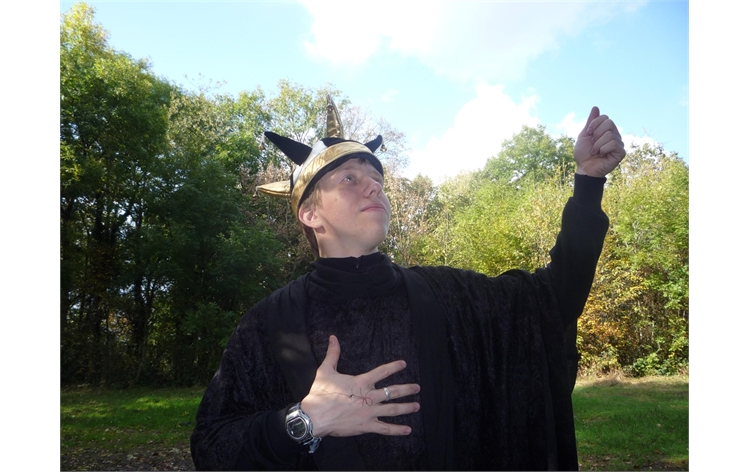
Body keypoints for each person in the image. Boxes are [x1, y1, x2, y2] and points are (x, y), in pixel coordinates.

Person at [190, 97, 625, 471]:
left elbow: (553, 298)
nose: (373, 188)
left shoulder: (450, 296)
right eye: (349, 179)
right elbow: (212, 446)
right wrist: (304, 420)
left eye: (377, 180)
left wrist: (588, 182)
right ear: (310, 213)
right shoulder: (269, 325)